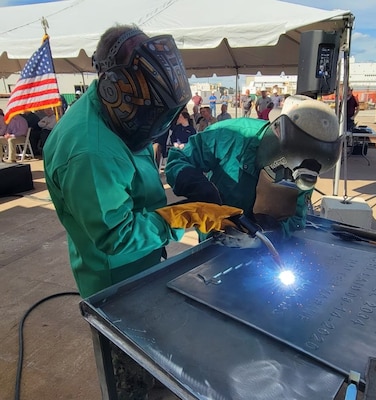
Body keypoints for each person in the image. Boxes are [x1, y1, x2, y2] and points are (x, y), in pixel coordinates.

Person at [43, 24, 243, 400]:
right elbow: (116, 236)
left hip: (144, 265)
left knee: (158, 366)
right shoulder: (90, 150)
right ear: (111, 87)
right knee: (131, 378)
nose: (156, 130)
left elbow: (131, 182)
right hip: (117, 285)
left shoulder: (121, 115)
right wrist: (182, 217)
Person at [165, 95, 342, 243]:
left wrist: (266, 236)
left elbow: (296, 219)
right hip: (215, 236)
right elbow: (178, 159)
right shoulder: (231, 134)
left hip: (261, 247)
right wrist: (195, 184)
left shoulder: (304, 168)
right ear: (277, 133)